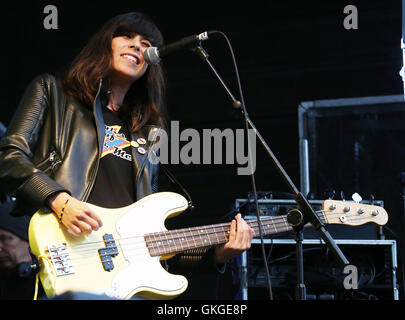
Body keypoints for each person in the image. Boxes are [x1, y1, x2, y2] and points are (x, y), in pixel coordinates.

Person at [0, 12, 253, 299]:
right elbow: (9, 156)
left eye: (146, 43)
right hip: (61, 255)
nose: (137, 45)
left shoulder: (148, 133)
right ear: (105, 43)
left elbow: (154, 249)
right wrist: (58, 199)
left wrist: (218, 254)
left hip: (122, 288)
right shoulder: (53, 91)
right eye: (127, 36)